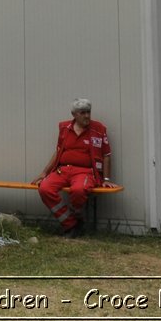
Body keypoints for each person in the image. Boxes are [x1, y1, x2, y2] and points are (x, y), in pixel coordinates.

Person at [36, 98, 112, 237]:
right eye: (82, 113)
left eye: (88, 112)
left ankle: (76, 217)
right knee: (44, 188)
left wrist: (106, 178)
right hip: (63, 170)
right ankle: (71, 224)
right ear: (74, 114)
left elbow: (106, 154)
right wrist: (44, 172)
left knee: (79, 190)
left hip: (85, 172)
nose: (87, 116)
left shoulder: (99, 129)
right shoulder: (65, 128)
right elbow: (58, 151)